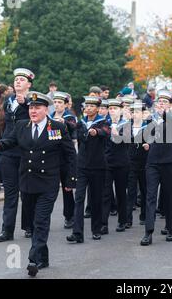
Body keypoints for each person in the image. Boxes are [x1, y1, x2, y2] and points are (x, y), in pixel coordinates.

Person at [0, 91, 76, 277]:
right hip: (28, 182)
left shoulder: (57, 127)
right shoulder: (22, 125)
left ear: (46, 109)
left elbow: (70, 154)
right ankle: (43, 257)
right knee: (32, 222)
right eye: (31, 107)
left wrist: (70, 179)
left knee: (40, 221)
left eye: (37, 107)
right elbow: (11, 140)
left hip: (48, 182)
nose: (33, 111)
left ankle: (33, 259)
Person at [0, 68, 35, 243]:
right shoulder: (9, 99)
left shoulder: (34, 100)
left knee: (27, 193)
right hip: (8, 152)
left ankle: (29, 226)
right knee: (10, 194)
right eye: (16, 79)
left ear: (29, 84)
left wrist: (26, 103)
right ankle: (7, 230)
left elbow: (37, 120)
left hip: (26, 152)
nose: (18, 82)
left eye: (22, 80)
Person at [67, 96, 110, 243]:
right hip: (82, 166)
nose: (89, 108)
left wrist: (96, 132)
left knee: (96, 198)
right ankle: (77, 233)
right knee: (79, 198)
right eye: (87, 106)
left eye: (92, 106)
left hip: (98, 166)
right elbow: (72, 125)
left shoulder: (103, 122)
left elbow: (106, 131)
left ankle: (96, 229)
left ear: (98, 108)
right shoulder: (81, 122)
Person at [141, 90, 172, 246]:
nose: (161, 104)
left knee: (170, 195)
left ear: (170, 104)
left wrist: (163, 114)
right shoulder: (152, 118)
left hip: (170, 161)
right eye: (159, 102)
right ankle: (148, 232)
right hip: (153, 161)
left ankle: (170, 228)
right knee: (150, 196)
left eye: (165, 102)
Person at [101, 98, 129, 234]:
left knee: (121, 192)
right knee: (105, 193)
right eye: (111, 109)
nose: (112, 111)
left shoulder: (126, 125)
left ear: (121, 110)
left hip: (121, 162)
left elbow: (125, 141)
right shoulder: (104, 123)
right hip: (107, 162)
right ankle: (103, 224)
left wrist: (117, 133)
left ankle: (122, 220)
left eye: (115, 109)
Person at [51, 92, 78, 229]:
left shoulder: (69, 117)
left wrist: (64, 123)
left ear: (66, 105)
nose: (57, 105)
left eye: (60, 102)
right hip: (53, 157)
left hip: (66, 157)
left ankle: (70, 216)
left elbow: (73, 126)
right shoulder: (50, 117)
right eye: (55, 102)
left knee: (67, 189)